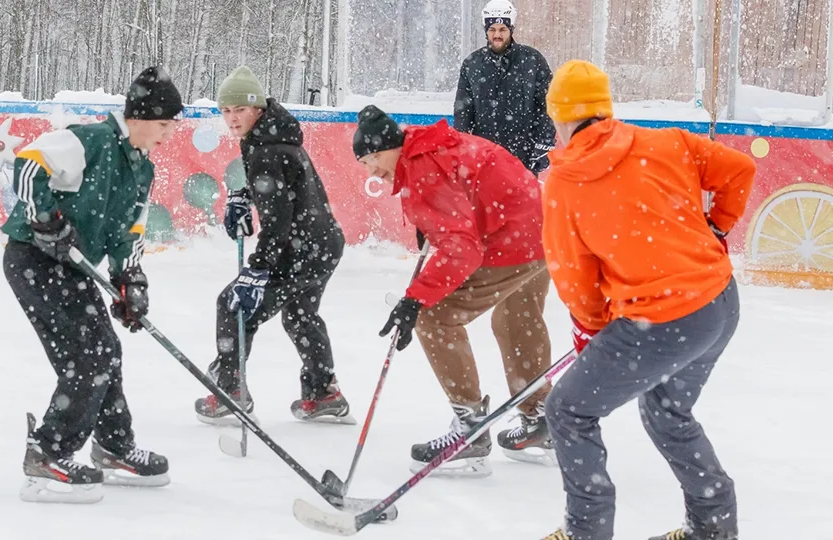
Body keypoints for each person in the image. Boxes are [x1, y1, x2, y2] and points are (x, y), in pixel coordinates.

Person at [537, 60, 755, 540]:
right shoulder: (665, 142)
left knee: (568, 410)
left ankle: (586, 531)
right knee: (666, 410)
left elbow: (574, 280)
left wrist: (594, 330)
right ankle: (712, 525)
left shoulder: (565, 184)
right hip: (719, 303)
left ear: (564, 118)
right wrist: (717, 225)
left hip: (662, 320)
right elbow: (740, 168)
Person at [2, 66, 183, 503]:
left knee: (105, 351)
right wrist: (44, 219)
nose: (166, 136)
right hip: (34, 258)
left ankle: (114, 446)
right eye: (162, 125)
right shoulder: (92, 140)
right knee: (91, 354)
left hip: (71, 267)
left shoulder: (141, 170)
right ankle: (48, 452)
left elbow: (129, 233)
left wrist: (130, 279)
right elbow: (28, 166)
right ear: (138, 117)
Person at [352, 104, 552, 477]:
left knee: (434, 318)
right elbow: (468, 190)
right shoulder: (429, 145)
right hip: (540, 228)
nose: (372, 171)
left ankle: (470, 430)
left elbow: (463, 249)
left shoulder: (424, 169)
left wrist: (415, 299)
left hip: (513, 239)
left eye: (372, 159)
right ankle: (544, 418)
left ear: (388, 147)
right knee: (514, 319)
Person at [193, 66, 352, 425]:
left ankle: (231, 389)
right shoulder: (273, 136)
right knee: (299, 316)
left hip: (299, 249)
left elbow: (278, 220)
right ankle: (324, 392)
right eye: (226, 111)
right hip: (323, 244)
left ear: (258, 109)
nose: (232, 118)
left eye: (239, 110)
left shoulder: (266, 148)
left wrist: (257, 270)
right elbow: (282, 190)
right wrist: (244, 196)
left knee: (234, 304)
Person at [454, 0, 557, 177]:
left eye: (502, 29)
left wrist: (544, 142)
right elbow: (463, 111)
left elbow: (547, 105)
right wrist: (460, 147)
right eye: (492, 29)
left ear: (511, 29)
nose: (497, 35)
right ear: (486, 30)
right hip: (485, 156)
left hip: (524, 155)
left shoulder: (532, 60)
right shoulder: (472, 64)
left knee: (522, 204)